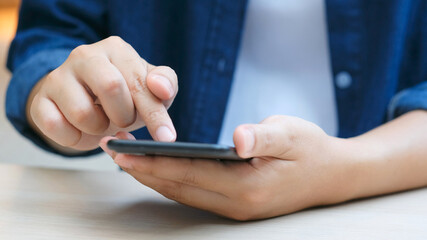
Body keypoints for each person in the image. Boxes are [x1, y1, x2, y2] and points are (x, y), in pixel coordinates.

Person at [5, 0, 427, 221]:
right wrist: (66, 97)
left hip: (374, 214)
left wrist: (340, 171)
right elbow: (50, 38)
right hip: (150, 218)